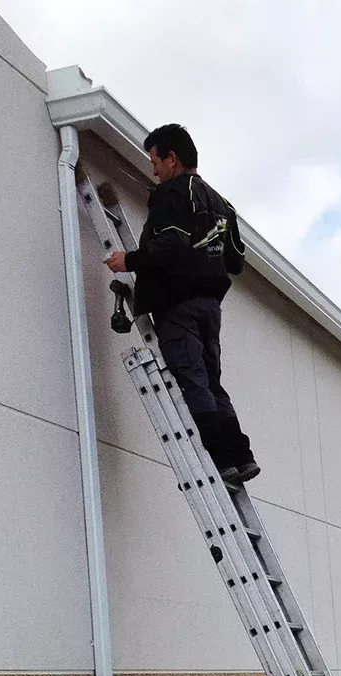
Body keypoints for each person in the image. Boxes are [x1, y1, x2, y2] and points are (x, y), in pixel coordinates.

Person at [105, 124, 260, 484]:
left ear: (172, 158)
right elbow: (235, 260)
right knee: (211, 382)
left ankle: (221, 462)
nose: (153, 171)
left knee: (192, 382)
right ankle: (241, 455)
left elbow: (171, 245)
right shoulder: (222, 203)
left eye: (155, 161)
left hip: (177, 305)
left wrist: (128, 260)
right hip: (210, 307)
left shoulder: (173, 194)